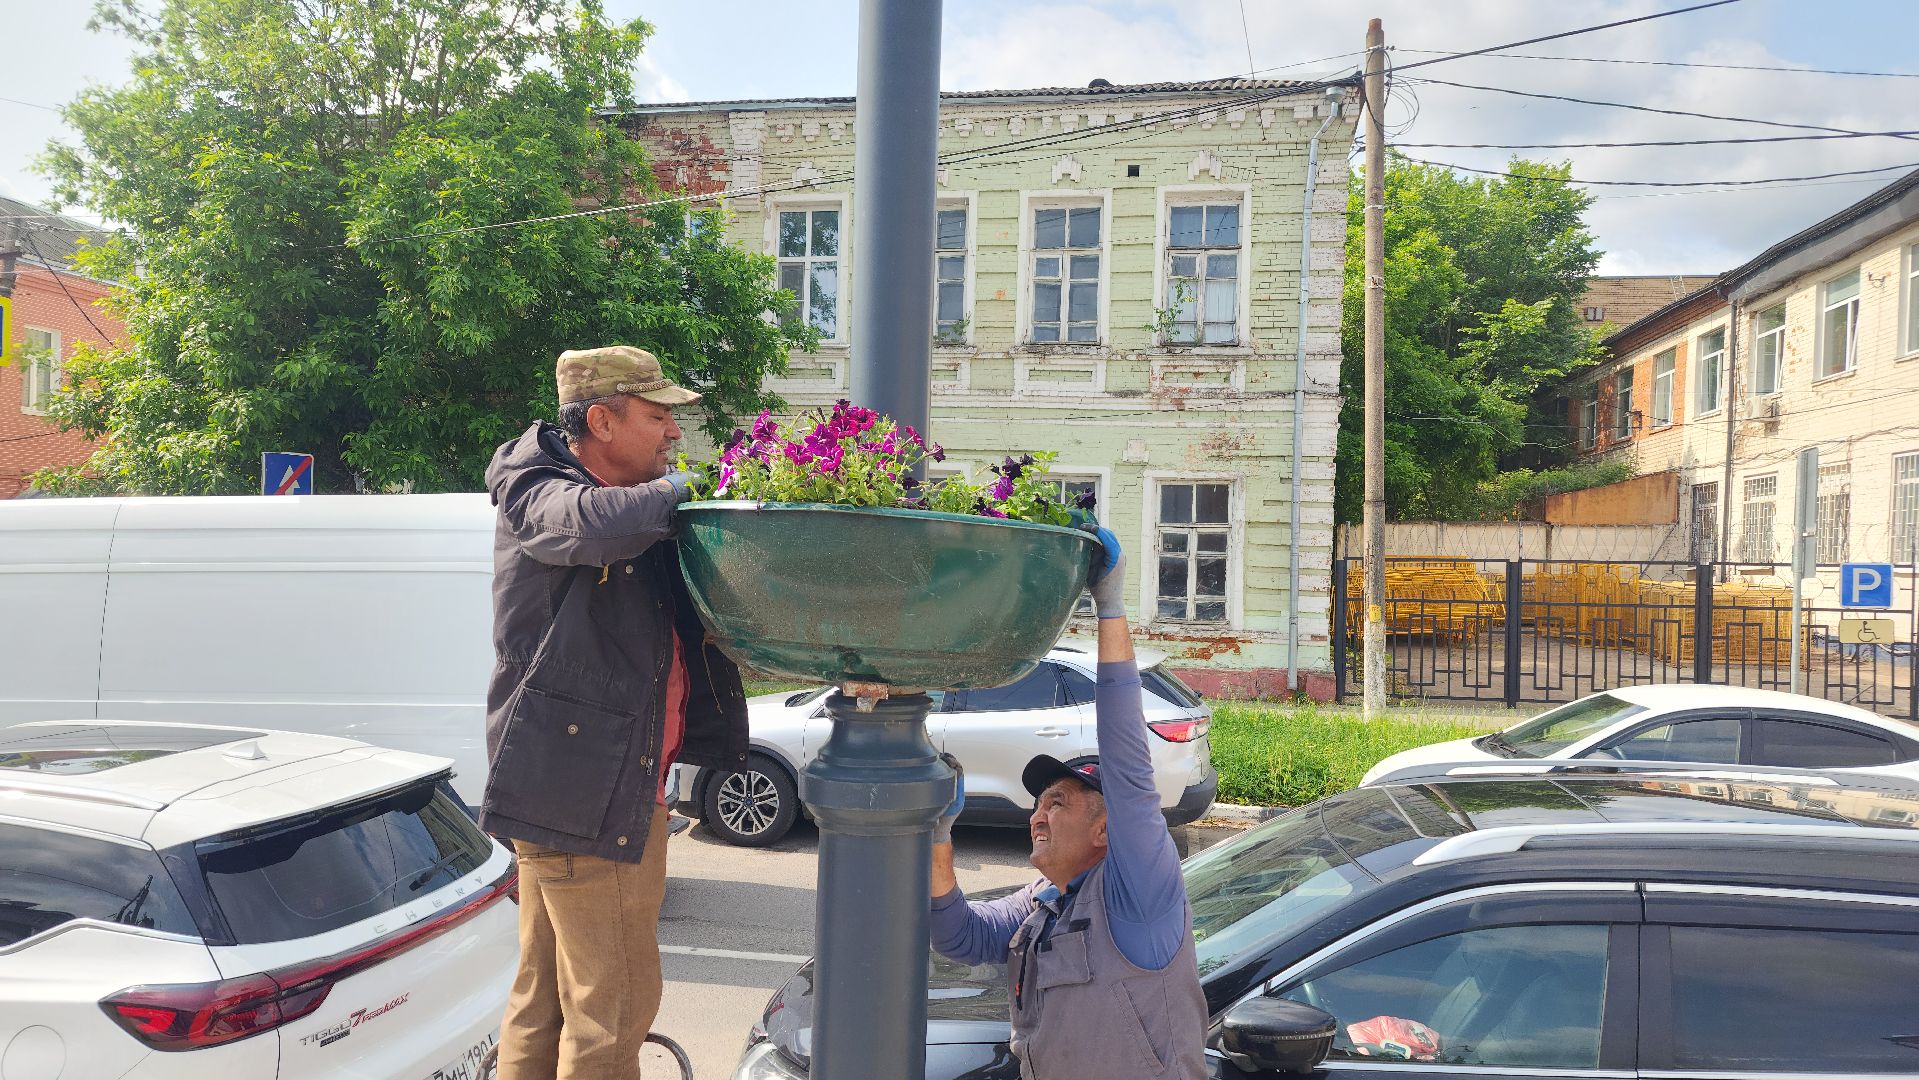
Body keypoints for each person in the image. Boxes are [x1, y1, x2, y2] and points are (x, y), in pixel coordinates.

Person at [481, 345, 750, 1080]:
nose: (674, 433)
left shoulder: (630, 506)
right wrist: (693, 487)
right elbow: (589, 527)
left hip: (578, 786)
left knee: (545, 1001)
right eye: (659, 416)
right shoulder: (543, 489)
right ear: (601, 421)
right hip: (588, 791)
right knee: (614, 1012)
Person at [928, 530, 1208, 1079]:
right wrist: (940, 835)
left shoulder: (1137, 893)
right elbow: (958, 936)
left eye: (1057, 802)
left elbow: (1128, 766)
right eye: (1038, 804)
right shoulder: (1045, 901)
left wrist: (1110, 607)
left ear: (1106, 828)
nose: (1038, 815)